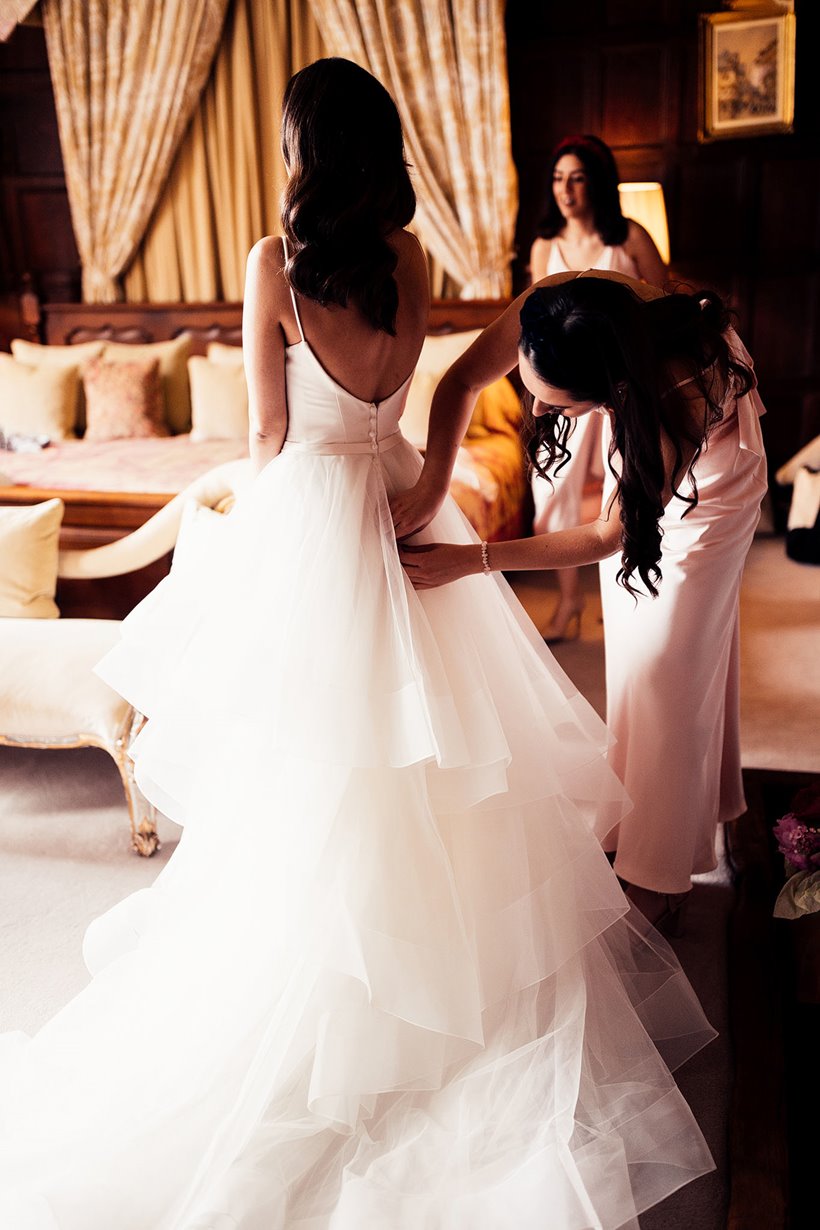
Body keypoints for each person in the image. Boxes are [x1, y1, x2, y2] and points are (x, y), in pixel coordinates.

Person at [0, 61, 716, 1228]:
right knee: (438, 765)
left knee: (313, 769)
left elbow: (272, 432)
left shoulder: (272, 262)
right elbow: (406, 404)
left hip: (319, 511)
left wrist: (251, 521)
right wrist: (428, 475)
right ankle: (439, 988)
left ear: (300, 151)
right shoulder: (415, 260)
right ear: (381, 152)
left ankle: (330, 993)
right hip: (403, 507)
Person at [396, 271, 767, 929]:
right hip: (652, 434)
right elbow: (460, 380)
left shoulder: (672, 406)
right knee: (634, 655)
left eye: (559, 405)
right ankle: (644, 818)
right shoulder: (563, 302)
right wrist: (431, 487)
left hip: (719, 480)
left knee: (669, 665)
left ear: (612, 390)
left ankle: (659, 870)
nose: (538, 413)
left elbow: (607, 535)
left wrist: (473, 560)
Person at [528, 134, 667, 643]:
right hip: (567, 390)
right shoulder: (545, 246)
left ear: (598, 182)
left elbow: (664, 303)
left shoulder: (630, 237)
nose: (566, 189)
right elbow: (533, 324)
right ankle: (570, 600)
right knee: (551, 492)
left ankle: (630, 595)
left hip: (624, 389)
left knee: (629, 488)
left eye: (578, 177)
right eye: (559, 178)